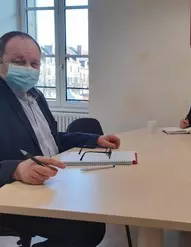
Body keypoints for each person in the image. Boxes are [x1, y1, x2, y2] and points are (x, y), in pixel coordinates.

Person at [0, 31, 120, 247]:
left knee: (93, 220)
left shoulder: (35, 96)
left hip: (50, 185)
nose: (28, 69)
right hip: (14, 197)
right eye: (19, 62)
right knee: (84, 228)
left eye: (34, 64)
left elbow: (53, 139)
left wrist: (96, 139)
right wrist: (15, 169)